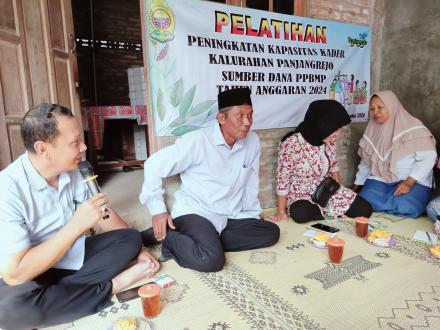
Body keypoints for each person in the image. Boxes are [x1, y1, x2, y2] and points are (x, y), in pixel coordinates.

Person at [0, 103, 160, 330]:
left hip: (72, 256)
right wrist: (76, 226)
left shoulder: (74, 170)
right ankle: (112, 286)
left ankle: (59, 298)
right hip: (32, 268)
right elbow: (15, 275)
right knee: (11, 310)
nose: (84, 147)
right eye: (75, 142)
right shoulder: (7, 190)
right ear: (43, 148)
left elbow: (106, 216)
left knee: (131, 239)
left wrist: (138, 250)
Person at [139, 87, 280, 272]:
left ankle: (205, 240)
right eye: (240, 116)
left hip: (229, 215)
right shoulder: (197, 141)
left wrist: (251, 214)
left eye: (250, 115)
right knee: (210, 260)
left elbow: (250, 181)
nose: (247, 122)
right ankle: (170, 239)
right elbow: (153, 165)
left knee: (271, 232)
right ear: (221, 118)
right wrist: (157, 210)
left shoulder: (252, 141)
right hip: (198, 211)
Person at [271, 99, 372, 223]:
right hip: (301, 194)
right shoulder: (291, 143)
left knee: (365, 209)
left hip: (325, 189)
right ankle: (330, 213)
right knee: (300, 213)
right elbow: (283, 180)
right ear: (321, 124)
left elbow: (334, 166)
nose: (338, 134)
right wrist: (281, 212)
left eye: (339, 128)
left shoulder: (328, 139)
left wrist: (338, 191)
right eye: (335, 128)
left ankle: (325, 212)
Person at [353, 91, 437, 218]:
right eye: (372, 109)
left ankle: (389, 205)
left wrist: (409, 182)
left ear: (392, 106)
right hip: (382, 179)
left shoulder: (414, 128)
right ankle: (390, 206)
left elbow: (429, 158)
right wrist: (355, 187)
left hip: (413, 180)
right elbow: (367, 161)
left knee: (406, 206)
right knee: (364, 201)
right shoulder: (372, 130)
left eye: (380, 107)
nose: (376, 112)